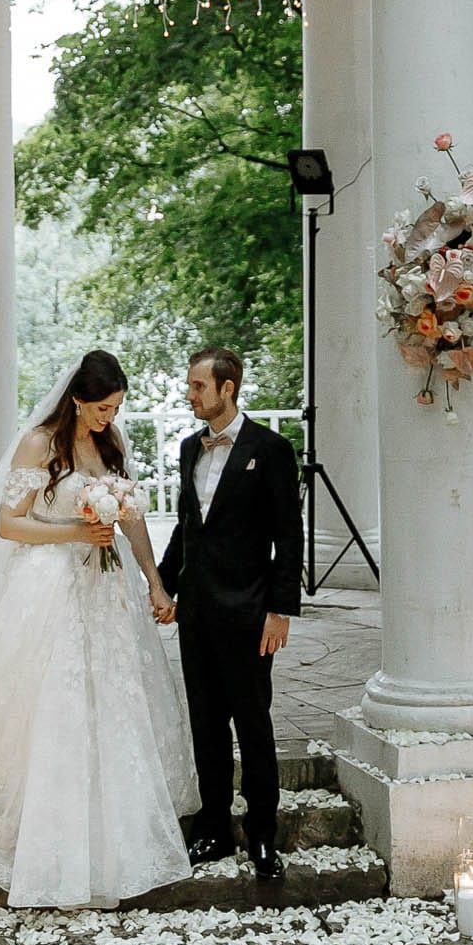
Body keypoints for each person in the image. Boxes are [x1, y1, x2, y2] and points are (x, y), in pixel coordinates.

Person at [0, 350, 198, 907]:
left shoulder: (111, 445)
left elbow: (130, 521)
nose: (109, 418)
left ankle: (119, 844)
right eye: (102, 408)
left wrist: (156, 582)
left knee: (113, 703)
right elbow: (8, 523)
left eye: (116, 409)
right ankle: (56, 842)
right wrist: (73, 532)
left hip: (109, 594)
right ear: (77, 399)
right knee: (62, 704)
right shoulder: (41, 443)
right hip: (55, 584)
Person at [156, 346, 302, 884]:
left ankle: (263, 833)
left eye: (198, 386)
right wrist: (163, 587)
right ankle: (215, 826)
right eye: (191, 386)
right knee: (206, 725)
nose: (190, 394)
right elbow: (187, 529)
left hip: (249, 612)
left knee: (253, 724)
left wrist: (281, 610)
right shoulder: (189, 448)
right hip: (196, 612)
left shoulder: (272, 449)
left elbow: (289, 537)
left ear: (227, 389)